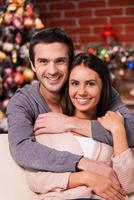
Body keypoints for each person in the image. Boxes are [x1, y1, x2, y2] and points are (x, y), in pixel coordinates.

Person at [7, 27, 134, 174]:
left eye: (60, 61)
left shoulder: (91, 90)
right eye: (43, 61)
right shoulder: (22, 102)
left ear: (71, 61)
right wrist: (82, 164)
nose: (52, 70)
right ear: (33, 66)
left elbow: (131, 130)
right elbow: (22, 149)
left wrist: (69, 123)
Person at [26, 53, 134, 200]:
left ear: (103, 87)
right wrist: (87, 178)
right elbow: (36, 180)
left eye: (90, 83)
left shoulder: (111, 128)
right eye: (75, 83)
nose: (81, 92)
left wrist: (118, 130)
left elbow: (128, 185)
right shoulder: (50, 127)